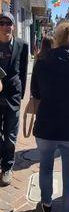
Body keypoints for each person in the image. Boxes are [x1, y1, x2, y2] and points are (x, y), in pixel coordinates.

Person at [31, 22, 69, 212]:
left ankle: (46, 203)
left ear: (57, 38)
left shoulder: (41, 62)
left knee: (45, 167)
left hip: (46, 126)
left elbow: (36, 94)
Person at [0, 12, 28, 186]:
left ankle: (7, 167)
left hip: (13, 98)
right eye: (1, 23)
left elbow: (23, 72)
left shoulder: (21, 45)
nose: (5, 26)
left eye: (8, 23)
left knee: (10, 137)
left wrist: (21, 94)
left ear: (13, 26)